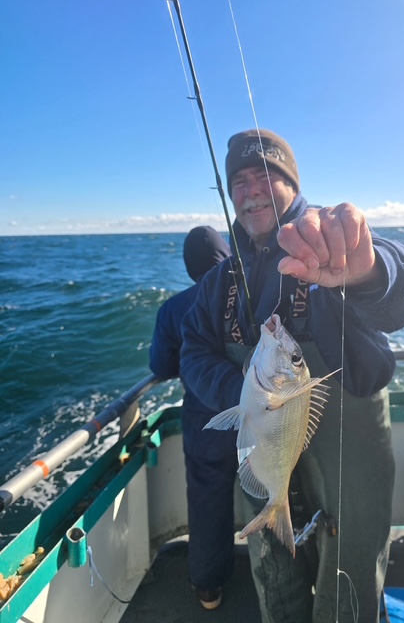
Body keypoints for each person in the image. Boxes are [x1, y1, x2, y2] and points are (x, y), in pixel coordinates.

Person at [180, 130, 404, 623]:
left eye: (267, 176)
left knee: (352, 561)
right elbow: (193, 353)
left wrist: (369, 270)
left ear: (293, 185)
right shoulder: (217, 284)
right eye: (241, 181)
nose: (252, 190)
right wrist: (245, 393)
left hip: (349, 442)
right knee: (273, 565)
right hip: (264, 433)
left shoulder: (326, 243)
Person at [149, 225, 237, 611]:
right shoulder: (245, 296)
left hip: (204, 422)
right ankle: (295, 573)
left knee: (207, 501)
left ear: (189, 267)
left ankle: (207, 587)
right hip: (259, 415)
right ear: (226, 255)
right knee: (280, 490)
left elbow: (161, 365)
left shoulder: (172, 308)